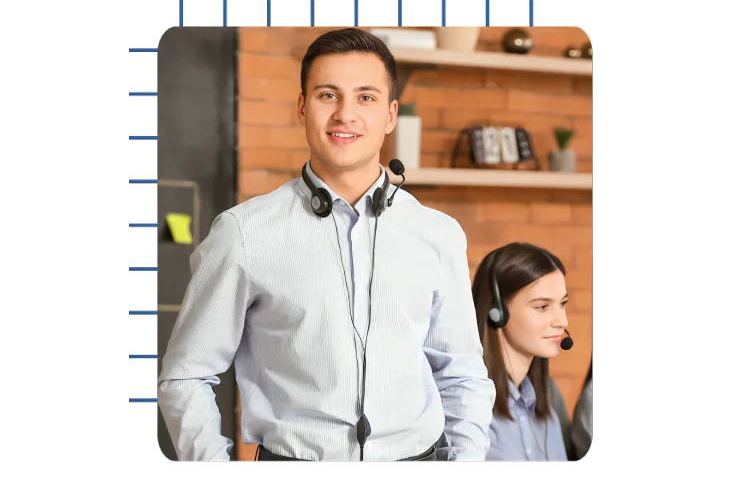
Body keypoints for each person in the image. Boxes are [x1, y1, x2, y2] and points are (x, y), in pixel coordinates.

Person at [158, 27, 496, 463]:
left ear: (390, 115)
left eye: (366, 97)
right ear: (302, 107)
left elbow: (463, 374)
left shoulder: (438, 232)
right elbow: (185, 376)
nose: (345, 114)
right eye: (327, 95)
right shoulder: (242, 232)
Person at [472, 243, 571, 462]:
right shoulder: (469, 407)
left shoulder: (546, 412)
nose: (562, 322)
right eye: (542, 307)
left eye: (562, 303)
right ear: (497, 312)